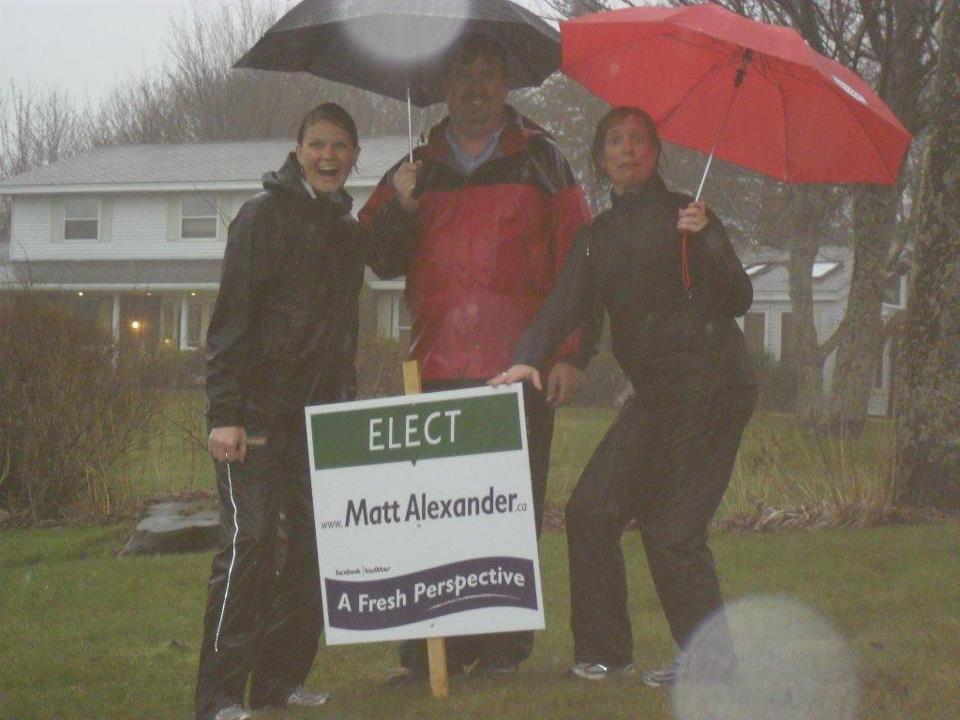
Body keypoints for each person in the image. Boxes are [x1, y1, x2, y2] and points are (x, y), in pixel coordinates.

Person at [490, 106, 758, 685]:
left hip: (713, 385)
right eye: (615, 141)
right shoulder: (596, 237)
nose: (628, 149)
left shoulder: (689, 216)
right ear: (600, 157)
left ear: (655, 153)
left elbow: (738, 297)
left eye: (639, 140)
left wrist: (708, 239)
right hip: (658, 393)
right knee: (591, 509)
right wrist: (526, 357)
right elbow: (566, 302)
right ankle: (605, 654)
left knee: (673, 528)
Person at [359, 32, 594, 678]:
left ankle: (500, 648)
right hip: (435, 365)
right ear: (444, 86)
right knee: (434, 513)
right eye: (463, 75)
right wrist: (402, 206)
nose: (475, 88)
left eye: (488, 74)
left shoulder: (544, 159)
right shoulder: (415, 166)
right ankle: (433, 650)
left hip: (518, 366)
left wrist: (571, 353)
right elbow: (376, 258)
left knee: (508, 512)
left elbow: (581, 261)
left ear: (506, 85)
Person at [195, 103, 364, 720]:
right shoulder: (260, 217)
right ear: (298, 152)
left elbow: (346, 326)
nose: (328, 156)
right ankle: (218, 697)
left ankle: (278, 684)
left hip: (319, 421)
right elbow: (230, 322)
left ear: (354, 157)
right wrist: (226, 413)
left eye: (340, 146)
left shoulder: (347, 232)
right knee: (251, 546)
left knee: (316, 549)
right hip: (255, 418)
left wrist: (343, 405)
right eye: (317, 144)